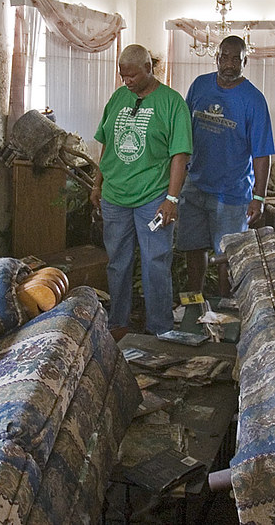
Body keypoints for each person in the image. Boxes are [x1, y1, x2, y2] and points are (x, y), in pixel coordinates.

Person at [91, 44, 192, 335]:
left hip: (153, 198)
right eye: (123, 76)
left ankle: (159, 329)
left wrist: (171, 199)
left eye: (133, 76)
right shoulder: (118, 98)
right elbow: (107, 144)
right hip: (115, 197)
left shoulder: (172, 103)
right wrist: (98, 183)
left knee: (155, 264)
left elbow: (180, 155)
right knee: (117, 264)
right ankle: (118, 323)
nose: (127, 81)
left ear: (149, 68)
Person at [178, 35, 275, 294]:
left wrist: (259, 197)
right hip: (195, 185)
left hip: (232, 193)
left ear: (245, 61)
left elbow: (262, 154)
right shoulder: (200, 86)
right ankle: (195, 301)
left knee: (228, 256)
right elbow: (183, 133)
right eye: (224, 57)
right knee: (193, 248)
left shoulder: (253, 99)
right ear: (216, 58)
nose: (229, 64)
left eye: (236, 59)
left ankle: (225, 306)